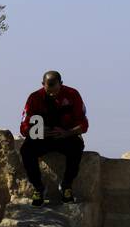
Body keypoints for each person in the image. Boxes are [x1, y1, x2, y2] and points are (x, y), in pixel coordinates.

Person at [19, 70, 89, 206]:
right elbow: (24, 127)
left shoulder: (72, 95)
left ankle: (66, 186)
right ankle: (38, 187)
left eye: (55, 90)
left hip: (65, 136)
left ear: (61, 84)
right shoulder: (34, 98)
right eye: (48, 89)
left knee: (77, 147)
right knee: (26, 150)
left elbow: (84, 125)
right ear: (42, 84)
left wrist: (66, 133)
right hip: (41, 138)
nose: (52, 93)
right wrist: (39, 131)